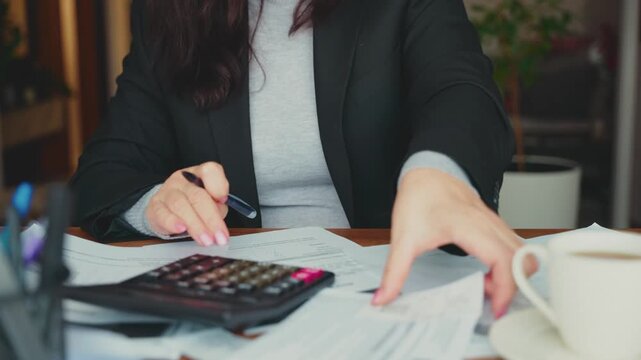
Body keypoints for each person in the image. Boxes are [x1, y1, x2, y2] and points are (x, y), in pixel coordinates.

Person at [70, 0, 523, 318]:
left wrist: (438, 173)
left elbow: (463, 92)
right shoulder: (168, 10)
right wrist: (157, 204)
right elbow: (104, 171)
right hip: (238, 301)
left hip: (392, 290)